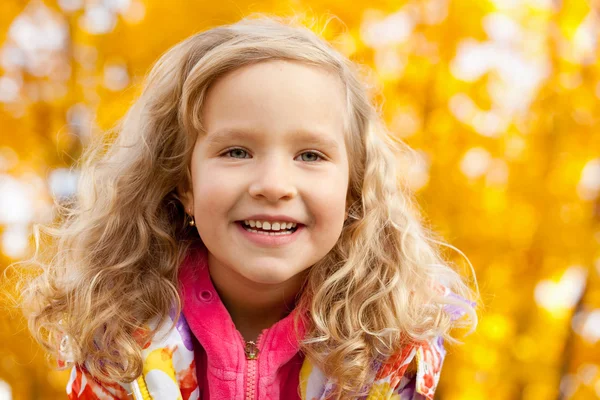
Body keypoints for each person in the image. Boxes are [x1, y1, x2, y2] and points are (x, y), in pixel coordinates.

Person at [19, 14, 478, 400]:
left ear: (353, 188)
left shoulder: (390, 346)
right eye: (236, 151)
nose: (274, 185)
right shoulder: (119, 342)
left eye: (310, 156)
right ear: (185, 182)